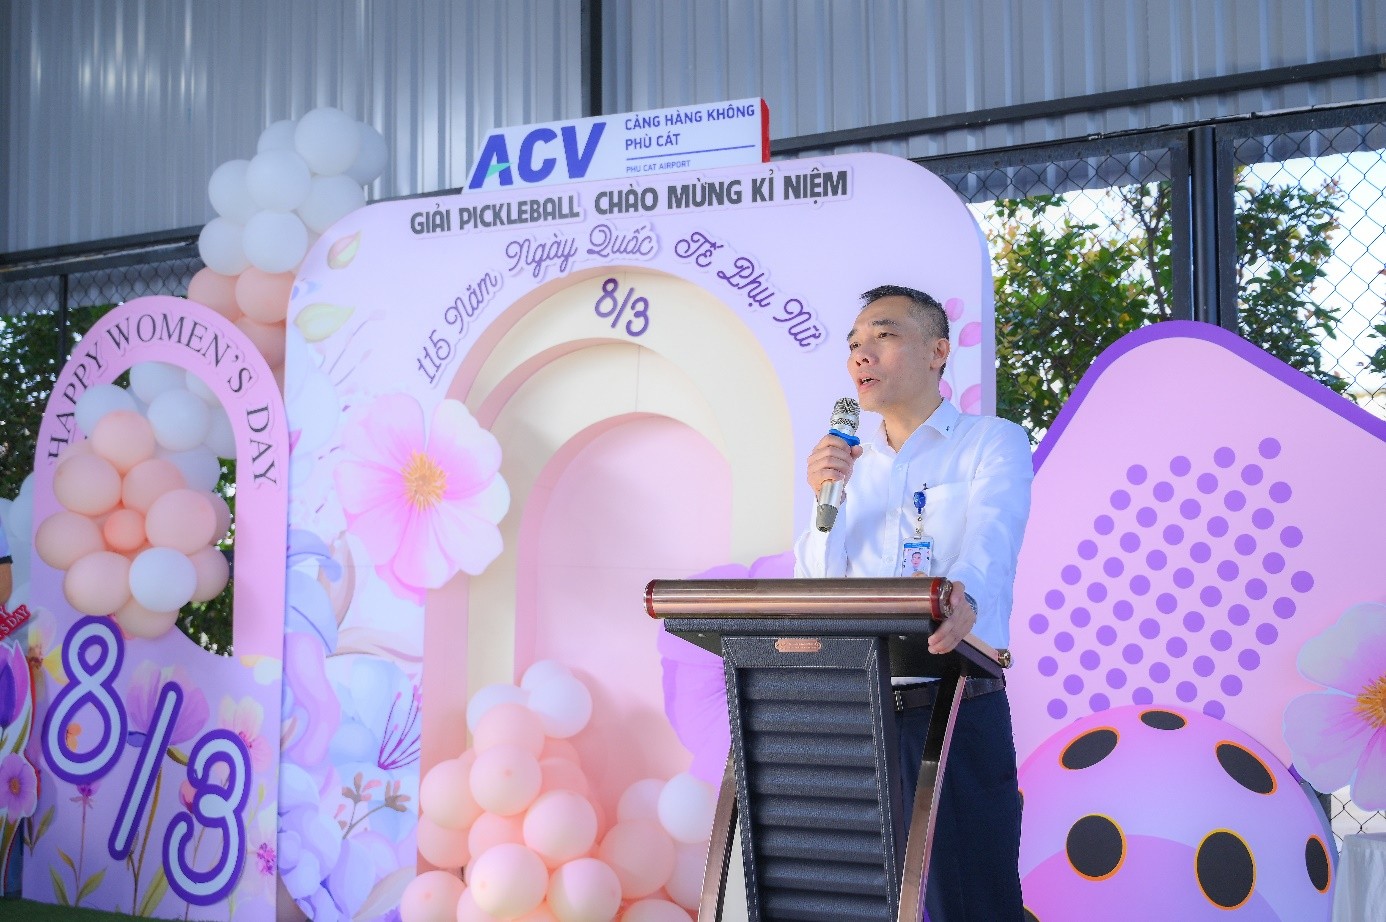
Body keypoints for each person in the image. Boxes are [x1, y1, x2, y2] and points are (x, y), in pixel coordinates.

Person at [794, 284, 1033, 921]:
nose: (861, 355)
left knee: (971, 905)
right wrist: (825, 500)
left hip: (955, 707)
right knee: (858, 904)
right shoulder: (847, 467)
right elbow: (816, 589)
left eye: (884, 335)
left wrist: (963, 597)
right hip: (858, 715)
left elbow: (993, 538)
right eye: (853, 344)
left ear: (937, 351)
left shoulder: (990, 442)